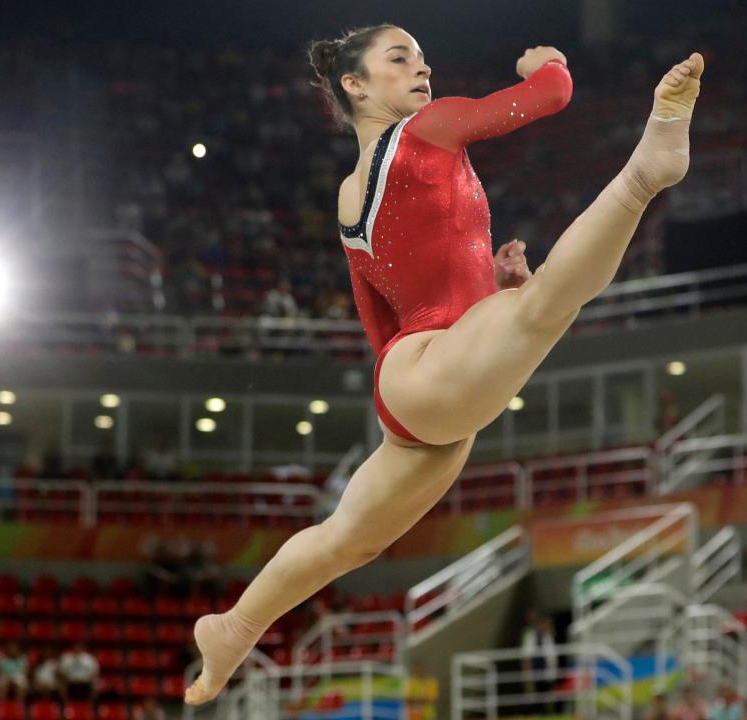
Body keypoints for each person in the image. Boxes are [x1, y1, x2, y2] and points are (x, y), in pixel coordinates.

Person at [184, 23, 704, 704]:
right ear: (355, 83)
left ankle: (234, 627)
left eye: (425, 59)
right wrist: (544, 59)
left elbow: (386, 311)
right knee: (546, 304)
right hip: (427, 373)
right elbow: (550, 94)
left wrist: (478, 316)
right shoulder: (429, 128)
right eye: (400, 58)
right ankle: (646, 172)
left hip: (414, 381)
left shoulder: (351, 194)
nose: (423, 70)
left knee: (349, 540)